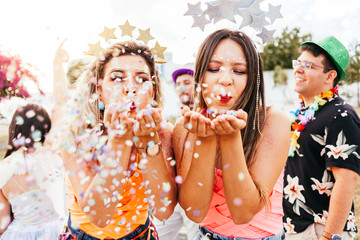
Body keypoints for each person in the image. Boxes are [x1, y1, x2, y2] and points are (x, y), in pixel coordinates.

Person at [173, 29, 290, 240]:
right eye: (213, 68)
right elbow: (195, 212)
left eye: (239, 71)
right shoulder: (186, 126)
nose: (225, 80)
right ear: (200, 74)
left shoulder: (272, 121)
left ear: (253, 77)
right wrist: (205, 140)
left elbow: (243, 212)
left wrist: (230, 137)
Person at [56, 41, 177, 240]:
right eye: (117, 78)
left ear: (152, 92)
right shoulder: (75, 135)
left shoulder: (163, 133)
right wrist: (120, 143)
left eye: (142, 79)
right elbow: (99, 216)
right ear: (100, 91)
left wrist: (148, 142)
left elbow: (163, 211)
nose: (130, 88)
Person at [283, 36, 360, 240]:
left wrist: (329, 236)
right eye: (298, 63)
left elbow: (347, 179)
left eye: (308, 65)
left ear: (329, 76)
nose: (298, 69)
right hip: (295, 228)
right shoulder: (302, 114)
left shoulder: (340, 114)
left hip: (320, 229)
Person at [0, 103, 64, 239]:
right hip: (56, 231)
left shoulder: (4, 168)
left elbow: (2, 222)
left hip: (19, 234)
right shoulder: (54, 158)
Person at [152, 68, 199, 240]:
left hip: (196, 197)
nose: (181, 88)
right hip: (174, 198)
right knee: (158, 235)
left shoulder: (206, 117)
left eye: (187, 83)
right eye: (177, 84)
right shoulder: (174, 119)